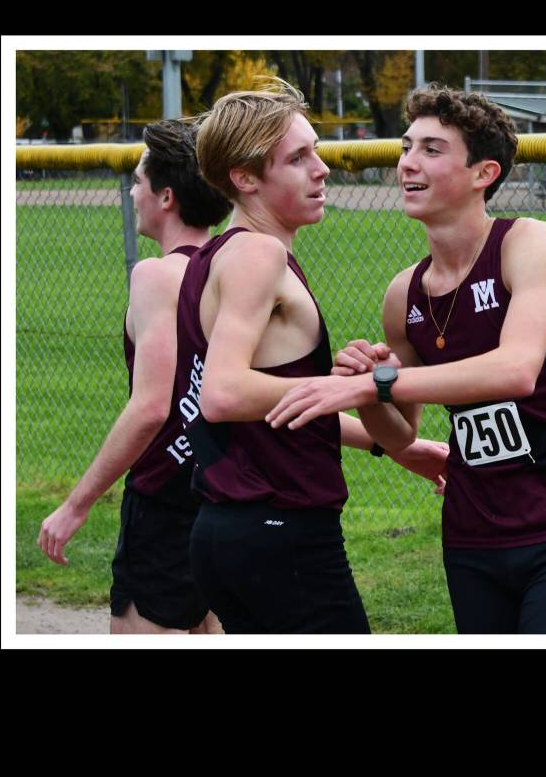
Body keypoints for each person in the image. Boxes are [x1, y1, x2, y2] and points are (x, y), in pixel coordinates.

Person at [265, 84, 546, 634]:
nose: (407, 164)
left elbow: (516, 369)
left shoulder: (529, 242)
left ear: (483, 174)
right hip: (472, 536)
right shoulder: (405, 292)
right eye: (405, 147)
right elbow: (397, 436)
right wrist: (365, 377)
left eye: (431, 149)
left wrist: (376, 385)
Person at [173, 78, 449, 634]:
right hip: (281, 528)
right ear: (245, 178)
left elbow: (268, 397)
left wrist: (391, 443)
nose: (321, 169)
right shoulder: (258, 253)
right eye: (297, 158)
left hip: (233, 530)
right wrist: (351, 388)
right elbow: (224, 394)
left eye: (315, 152)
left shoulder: (219, 253)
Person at [37, 119, 231, 634]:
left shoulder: (155, 274)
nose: (132, 191)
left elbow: (150, 407)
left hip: (164, 500)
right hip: (222, 492)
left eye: (140, 182)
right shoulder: (234, 270)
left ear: (166, 197)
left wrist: (75, 506)